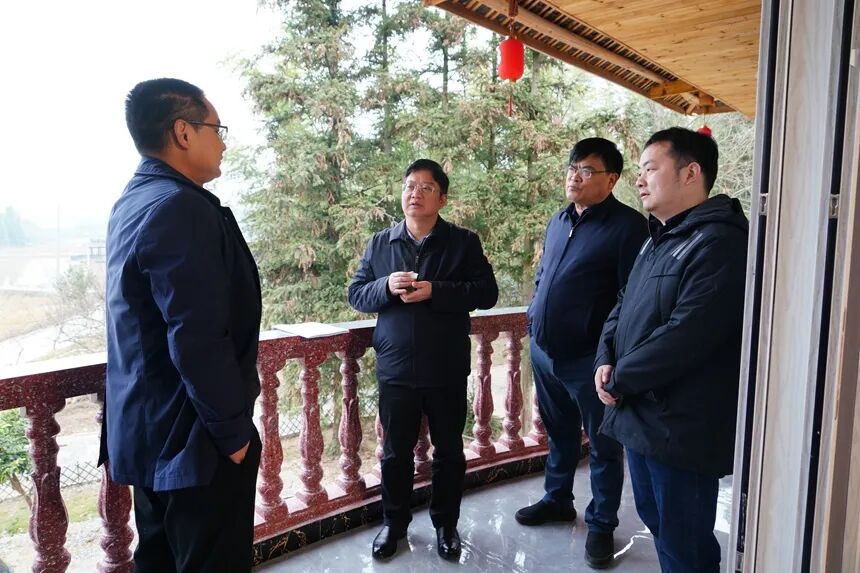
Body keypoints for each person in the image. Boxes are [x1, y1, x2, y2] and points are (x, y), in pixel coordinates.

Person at [99, 78, 262, 573]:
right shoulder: (179, 207)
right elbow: (197, 336)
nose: (223, 143)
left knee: (160, 560)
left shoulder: (133, 200)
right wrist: (234, 437)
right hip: (194, 444)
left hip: (150, 435)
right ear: (183, 132)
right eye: (217, 129)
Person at [594, 127, 748, 573]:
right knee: (660, 524)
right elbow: (623, 304)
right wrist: (605, 357)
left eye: (650, 168)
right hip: (641, 415)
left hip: (682, 427)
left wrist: (620, 378)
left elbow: (689, 334)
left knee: (686, 543)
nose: (639, 179)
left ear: (690, 173)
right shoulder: (658, 238)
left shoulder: (720, 241)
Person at [348, 159, 498, 560]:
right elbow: (357, 294)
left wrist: (436, 291)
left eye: (426, 188)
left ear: (442, 199)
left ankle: (446, 525)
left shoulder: (463, 242)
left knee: (448, 452)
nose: (414, 194)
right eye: (409, 186)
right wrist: (385, 285)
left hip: (446, 366)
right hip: (396, 368)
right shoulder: (381, 243)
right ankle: (393, 524)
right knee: (395, 453)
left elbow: (486, 293)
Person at [516, 138, 648, 569]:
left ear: (611, 179)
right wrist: (534, 316)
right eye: (572, 167)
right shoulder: (559, 220)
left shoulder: (628, 227)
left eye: (587, 170)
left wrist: (610, 356)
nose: (575, 176)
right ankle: (557, 499)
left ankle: (602, 523)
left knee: (604, 443)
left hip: (589, 360)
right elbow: (544, 275)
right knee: (559, 432)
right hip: (545, 352)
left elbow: (632, 299)